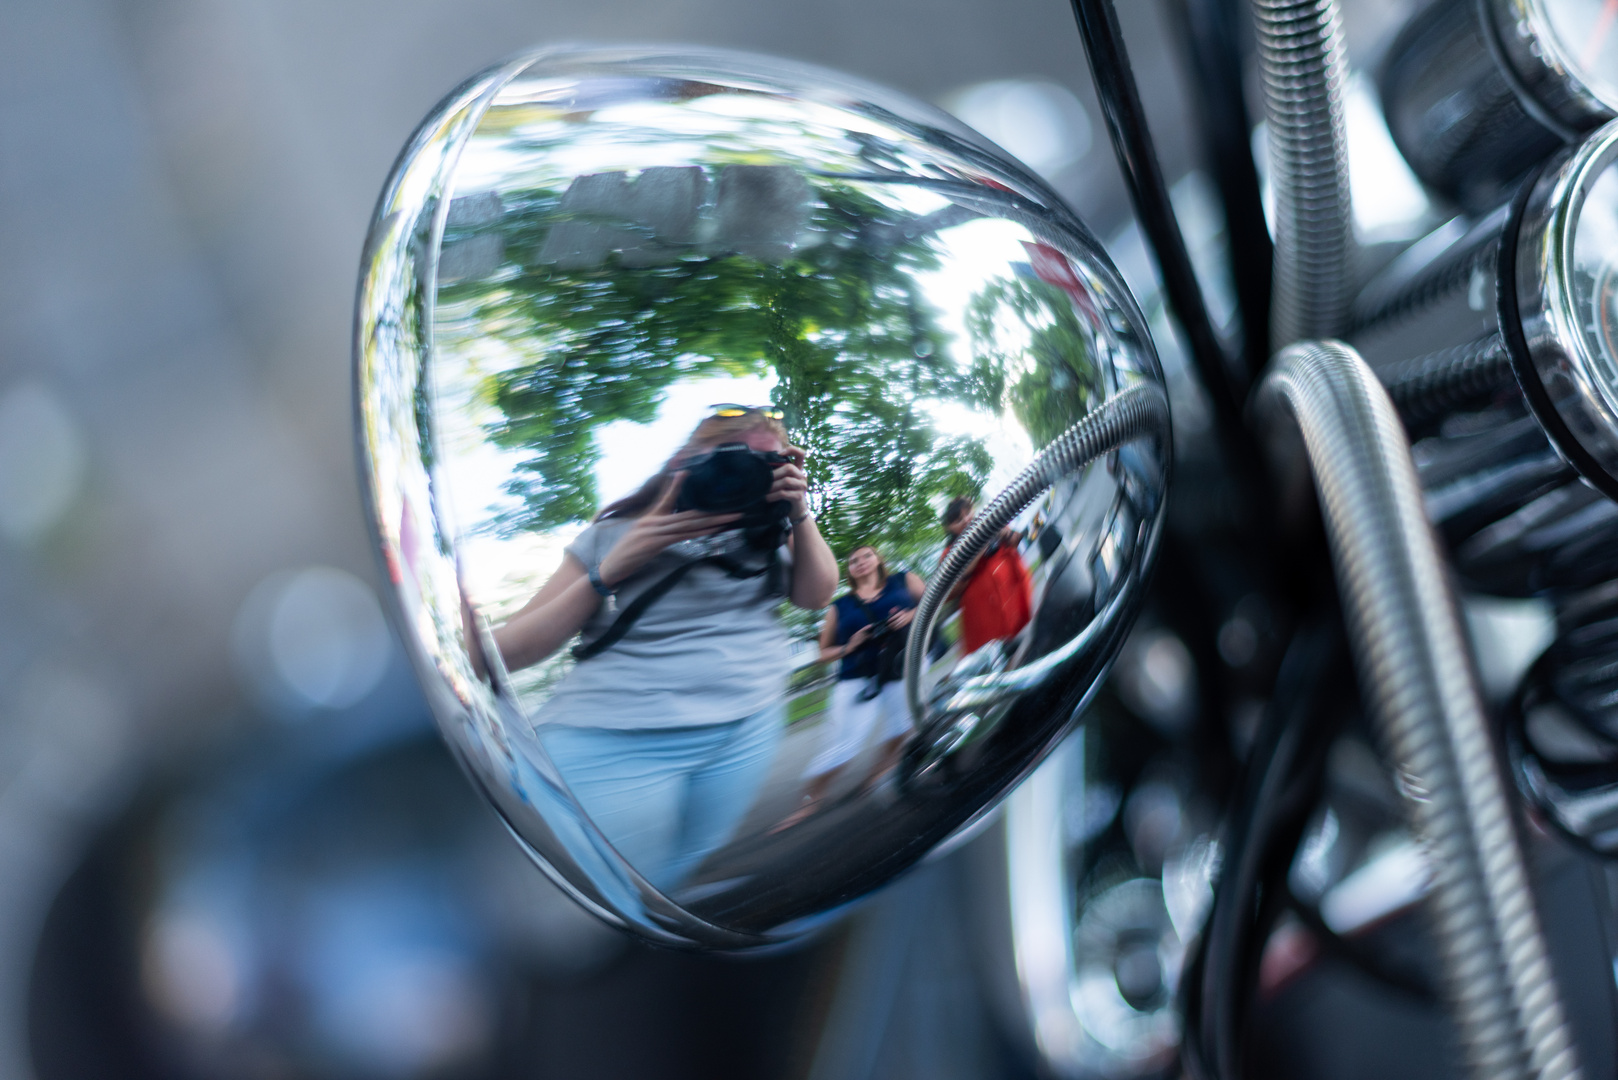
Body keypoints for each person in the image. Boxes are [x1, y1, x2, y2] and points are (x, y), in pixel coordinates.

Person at [491, 407, 839, 892]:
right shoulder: (610, 536)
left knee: (675, 878)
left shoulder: (772, 529)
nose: (738, 476)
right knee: (585, 898)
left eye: (762, 464)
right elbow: (508, 650)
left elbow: (816, 596)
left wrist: (799, 512)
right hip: (611, 736)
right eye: (726, 459)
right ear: (682, 462)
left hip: (751, 727)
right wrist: (610, 568)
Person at [773, 544, 925, 830]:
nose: (861, 562)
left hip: (899, 668)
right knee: (842, 745)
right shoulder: (839, 607)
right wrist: (850, 646)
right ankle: (810, 800)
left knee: (902, 726)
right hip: (856, 679)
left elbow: (932, 603)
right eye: (854, 561)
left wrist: (909, 616)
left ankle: (877, 774)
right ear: (849, 571)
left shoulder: (904, 579)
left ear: (878, 558)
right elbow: (822, 653)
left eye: (867, 555)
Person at [940, 495, 1033, 656]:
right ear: (950, 528)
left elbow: (1018, 541)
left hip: (1017, 607)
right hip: (985, 628)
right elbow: (946, 592)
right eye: (958, 520)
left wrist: (1005, 533)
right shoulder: (949, 554)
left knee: (1030, 649)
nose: (966, 520)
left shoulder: (992, 525)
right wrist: (977, 550)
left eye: (967, 513)